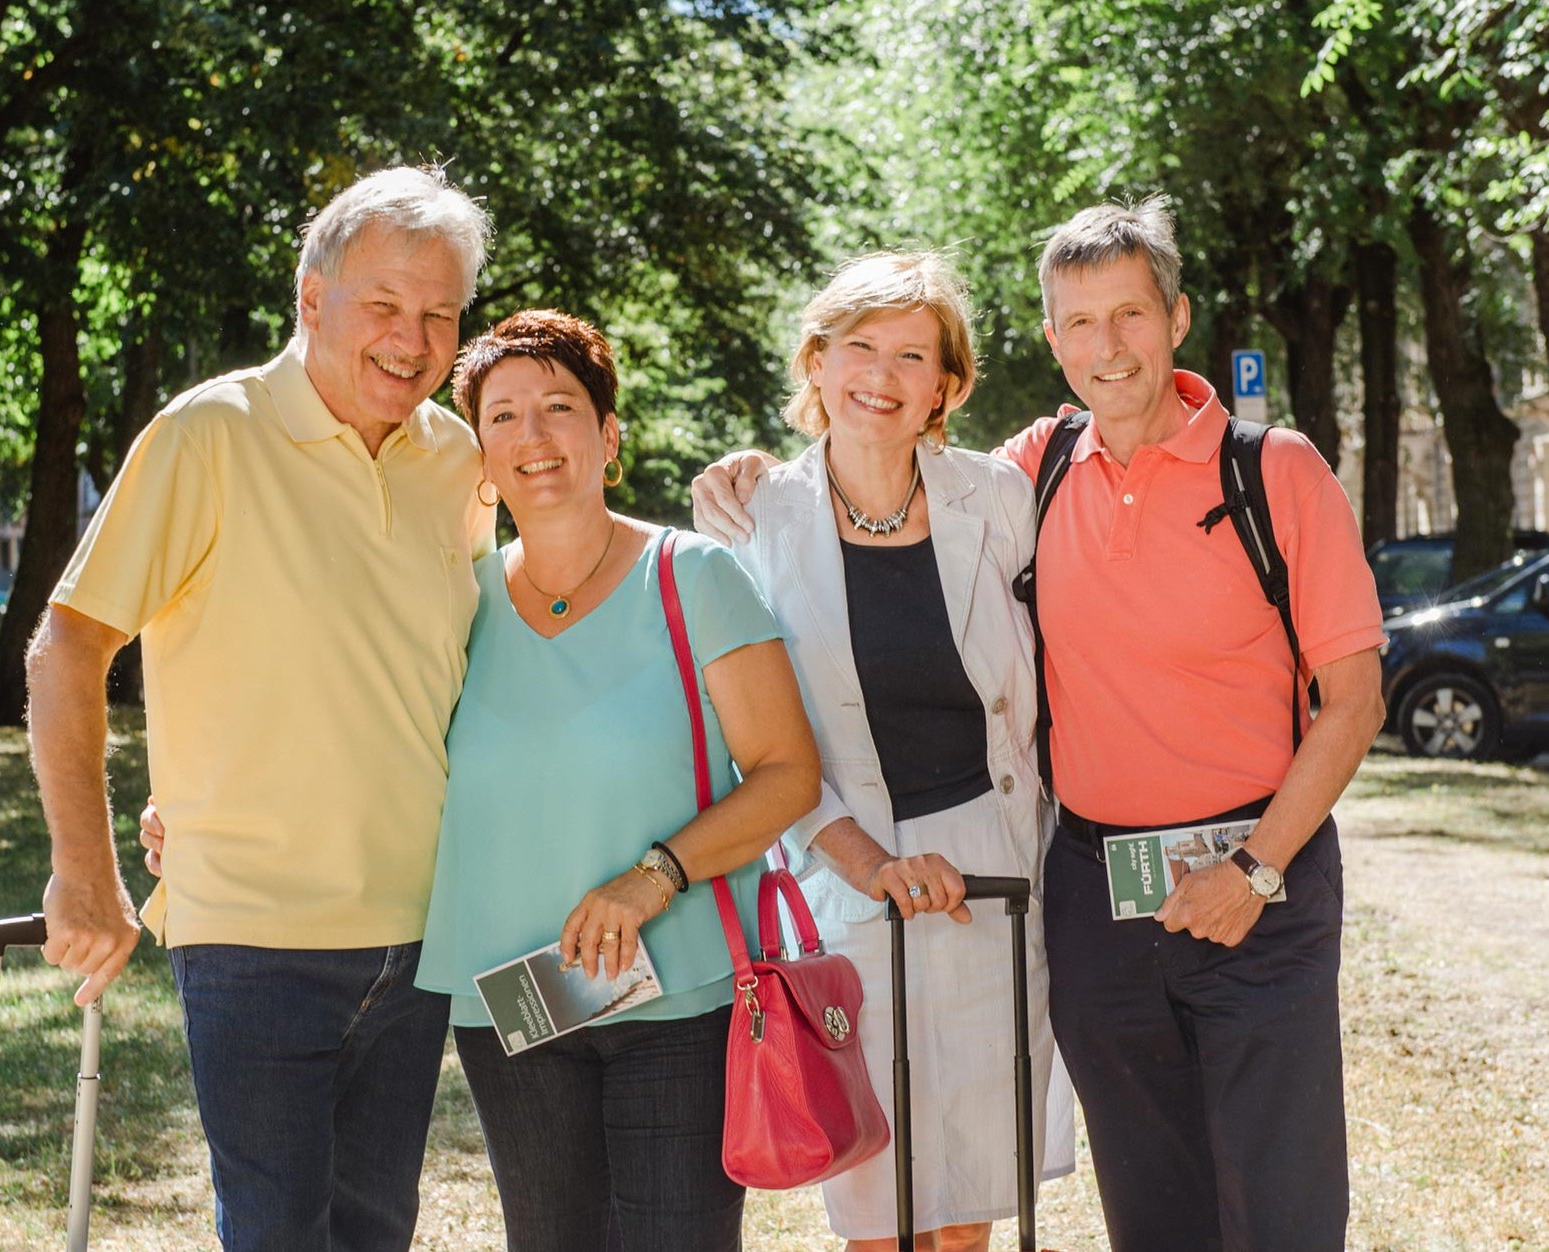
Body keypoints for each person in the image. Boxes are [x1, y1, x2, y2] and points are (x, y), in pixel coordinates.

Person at [691, 197, 1387, 1252]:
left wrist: (1252, 870)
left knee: (1282, 1208)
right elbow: (864, 487)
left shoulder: (1266, 470)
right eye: (1079, 322)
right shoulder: (1036, 472)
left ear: (1177, 317)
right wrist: (743, 472)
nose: (1108, 348)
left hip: (1256, 880)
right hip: (1094, 899)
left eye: (1131, 316)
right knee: (1150, 1206)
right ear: (1052, 339)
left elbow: (1355, 699)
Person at [147, 309, 823, 1251]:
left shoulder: (692, 576)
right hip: (519, 1002)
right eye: (501, 418)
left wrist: (653, 876)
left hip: (680, 992)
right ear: (479, 455)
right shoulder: (460, 600)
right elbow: (357, 720)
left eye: (559, 408)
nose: (532, 437)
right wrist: (198, 797)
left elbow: (789, 774)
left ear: (608, 434)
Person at [24, 165, 497, 1251]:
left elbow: (449, 663)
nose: (412, 338)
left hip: (421, 931)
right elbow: (70, 647)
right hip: (255, 933)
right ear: (312, 297)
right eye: (383, 304)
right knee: (279, 1230)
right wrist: (84, 869)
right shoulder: (210, 435)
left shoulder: (459, 459)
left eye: (438, 313)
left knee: (378, 1229)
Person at [721, 252, 1074, 1252]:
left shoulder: (1000, 500)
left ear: (945, 386)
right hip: (847, 868)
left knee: (962, 1205)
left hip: (989, 864)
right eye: (858, 347)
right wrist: (867, 863)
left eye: (911, 354)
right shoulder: (755, 520)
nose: (880, 374)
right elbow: (760, 741)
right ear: (818, 363)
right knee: (875, 1204)